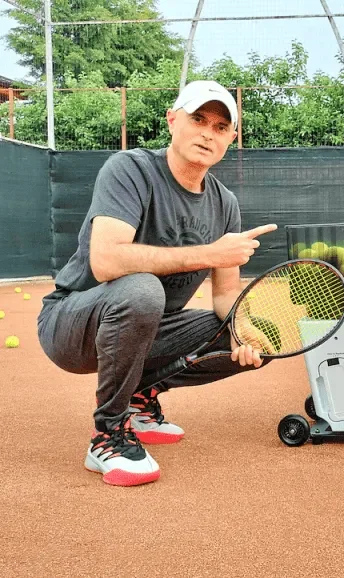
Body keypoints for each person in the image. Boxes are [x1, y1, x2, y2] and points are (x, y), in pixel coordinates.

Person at [37, 80, 276, 487]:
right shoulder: (130, 169)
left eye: (220, 127)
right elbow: (108, 259)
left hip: (147, 329)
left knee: (262, 332)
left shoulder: (226, 204)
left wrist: (243, 335)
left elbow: (224, 294)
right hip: (72, 325)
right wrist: (209, 253)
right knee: (142, 288)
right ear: (172, 120)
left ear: (231, 139)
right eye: (198, 119)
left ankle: (139, 397)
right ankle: (107, 434)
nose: (207, 132)